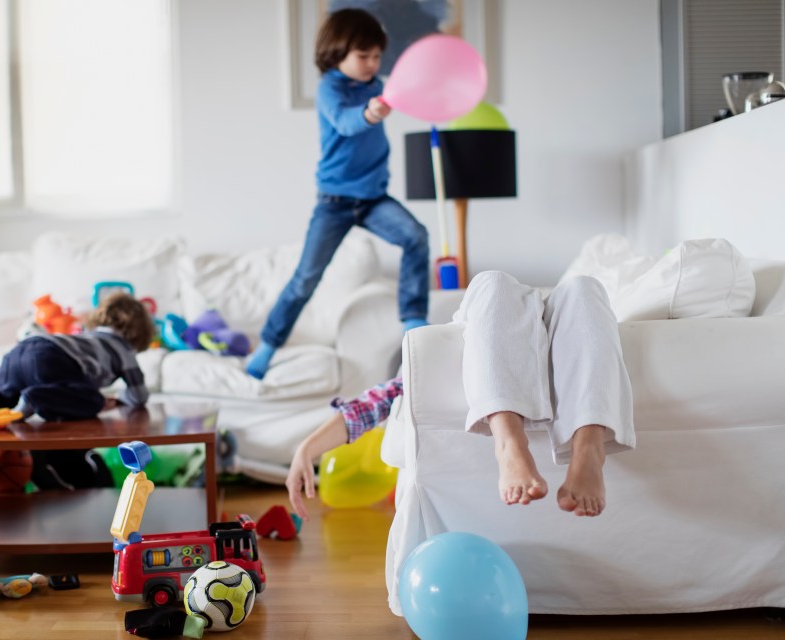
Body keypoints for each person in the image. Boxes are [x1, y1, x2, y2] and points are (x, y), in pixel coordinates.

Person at [286, 271, 636, 520]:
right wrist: (306, 448)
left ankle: (589, 449)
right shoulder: (447, 355)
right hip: (500, 346)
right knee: (493, 281)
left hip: (566, 335)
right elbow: (371, 404)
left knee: (585, 287)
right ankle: (509, 443)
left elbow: (371, 404)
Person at [246, 8, 429, 380]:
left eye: (377, 56)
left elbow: (407, 95)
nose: (372, 64)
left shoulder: (377, 84)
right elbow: (346, 124)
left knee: (416, 237)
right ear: (337, 52)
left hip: (374, 199)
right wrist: (371, 113)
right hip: (335, 203)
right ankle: (267, 346)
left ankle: (412, 320)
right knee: (306, 278)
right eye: (363, 56)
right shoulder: (330, 87)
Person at [0, 292, 154, 423]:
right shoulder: (124, 350)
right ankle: (35, 399)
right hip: (51, 358)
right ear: (140, 330)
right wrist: (118, 400)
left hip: (22, 350)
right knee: (93, 400)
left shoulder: (88, 337)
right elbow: (139, 394)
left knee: (0, 395)